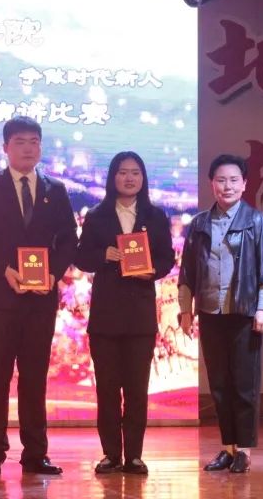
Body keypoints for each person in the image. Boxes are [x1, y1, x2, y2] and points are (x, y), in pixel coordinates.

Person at [0, 117, 78, 476]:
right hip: (1, 297)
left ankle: (35, 454)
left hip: (41, 299)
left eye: (34, 142)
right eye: (20, 142)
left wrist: (53, 274)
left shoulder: (56, 190)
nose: (28, 148)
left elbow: (69, 239)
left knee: (34, 377)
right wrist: (5, 269)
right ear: (5, 148)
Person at [76, 151, 176, 475]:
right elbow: (81, 257)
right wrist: (103, 254)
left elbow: (167, 259)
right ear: (112, 177)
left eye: (135, 172)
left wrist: (152, 271)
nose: (129, 178)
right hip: (105, 316)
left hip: (139, 316)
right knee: (106, 390)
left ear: (143, 178)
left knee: (136, 389)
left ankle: (134, 455)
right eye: (122, 172)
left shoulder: (155, 216)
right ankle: (110, 454)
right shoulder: (97, 215)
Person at [177, 154, 263, 475]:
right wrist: (185, 310)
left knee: (244, 384)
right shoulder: (199, 224)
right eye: (221, 180)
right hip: (210, 312)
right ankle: (227, 447)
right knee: (219, 384)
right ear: (212, 184)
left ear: (245, 184)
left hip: (245, 313)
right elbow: (187, 272)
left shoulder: (256, 221)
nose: (228, 186)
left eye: (234, 180)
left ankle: (243, 450)